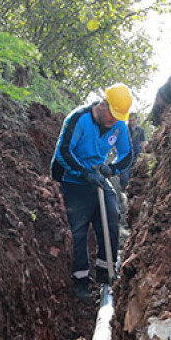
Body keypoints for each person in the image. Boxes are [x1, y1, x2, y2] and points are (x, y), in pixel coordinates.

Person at [53, 84, 136, 299]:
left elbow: (127, 155)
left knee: (111, 218)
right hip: (73, 179)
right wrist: (83, 173)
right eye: (111, 116)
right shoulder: (78, 119)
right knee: (78, 229)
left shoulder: (119, 125)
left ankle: (106, 274)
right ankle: (80, 281)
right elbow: (63, 152)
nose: (113, 122)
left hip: (98, 179)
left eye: (118, 118)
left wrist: (112, 169)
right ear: (102, 105)